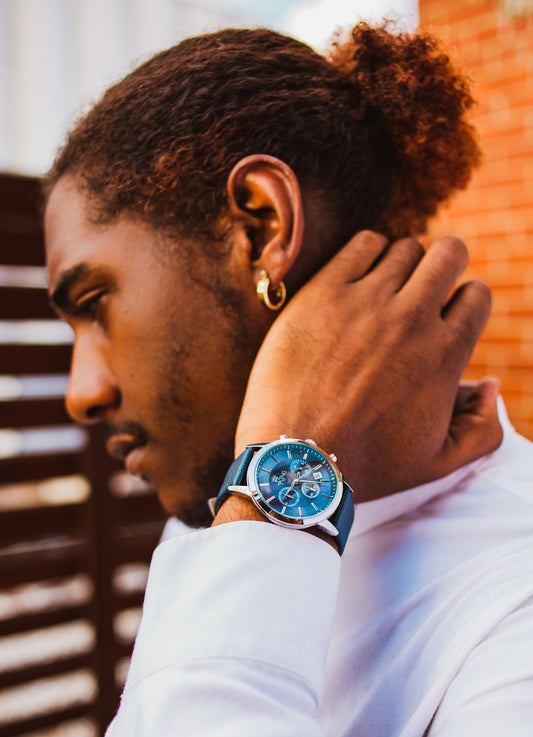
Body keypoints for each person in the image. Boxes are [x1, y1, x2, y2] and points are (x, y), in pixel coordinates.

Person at [43, 22, 533, 737]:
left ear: (260, 225)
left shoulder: (512, 604)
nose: (81, 393)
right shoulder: (222, 515)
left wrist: (283, 477)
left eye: (94, 304)